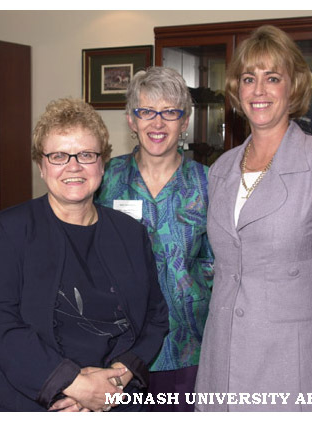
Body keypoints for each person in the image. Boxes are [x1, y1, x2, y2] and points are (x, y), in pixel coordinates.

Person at [194, 25, 312, 411]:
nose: (259, 90)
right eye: (248, 78)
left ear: (293, 87)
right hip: (221, 363)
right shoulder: (221, 169)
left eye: (272, 78)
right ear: (237, 91)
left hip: (293, 369)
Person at [0, 97, 168, 412]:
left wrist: (115, 381)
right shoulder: (8, 231)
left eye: (86, 155)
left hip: (119, 398)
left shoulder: (130, 233)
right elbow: (1, 325)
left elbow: (155, 317)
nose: (74, 166)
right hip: (38, 400)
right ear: (41, 166)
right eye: (59, 156)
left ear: (102, 163)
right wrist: (74, 385)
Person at [96, 66, 214, 412]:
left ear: (185, 120)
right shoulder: (105, 179)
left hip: (189, 346)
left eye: (170, 112)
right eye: (146, 111)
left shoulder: (209, 183)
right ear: (131, 120)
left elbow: (223, 263)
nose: (157, 123)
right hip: (117, 349)